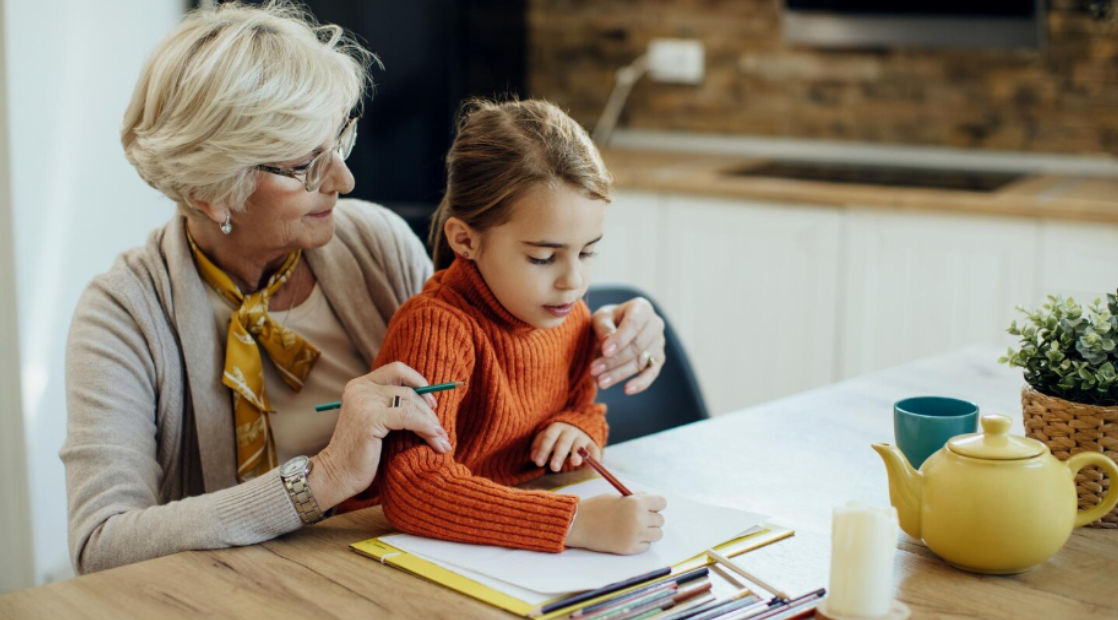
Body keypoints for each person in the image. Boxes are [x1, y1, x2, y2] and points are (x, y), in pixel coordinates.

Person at [61, 1, 667, 575]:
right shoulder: (123, 316)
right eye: (305, 165)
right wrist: (320, 479)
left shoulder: (371, 242)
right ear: (209, 189)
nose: (345, 179)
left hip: (385, 568)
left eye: (340, 143)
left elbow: (488, 360)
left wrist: (600, 336)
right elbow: (101, 544)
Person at [374, 99, 668, 555]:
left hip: (510, 542)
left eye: (587, 252)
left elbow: (585, 407)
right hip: (409, 554)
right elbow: (413, 488)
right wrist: (575, 522)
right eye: (543, 257)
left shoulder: (564, 312)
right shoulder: (435, 327)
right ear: (465, 240)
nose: (574, 281)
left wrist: (579, 429)